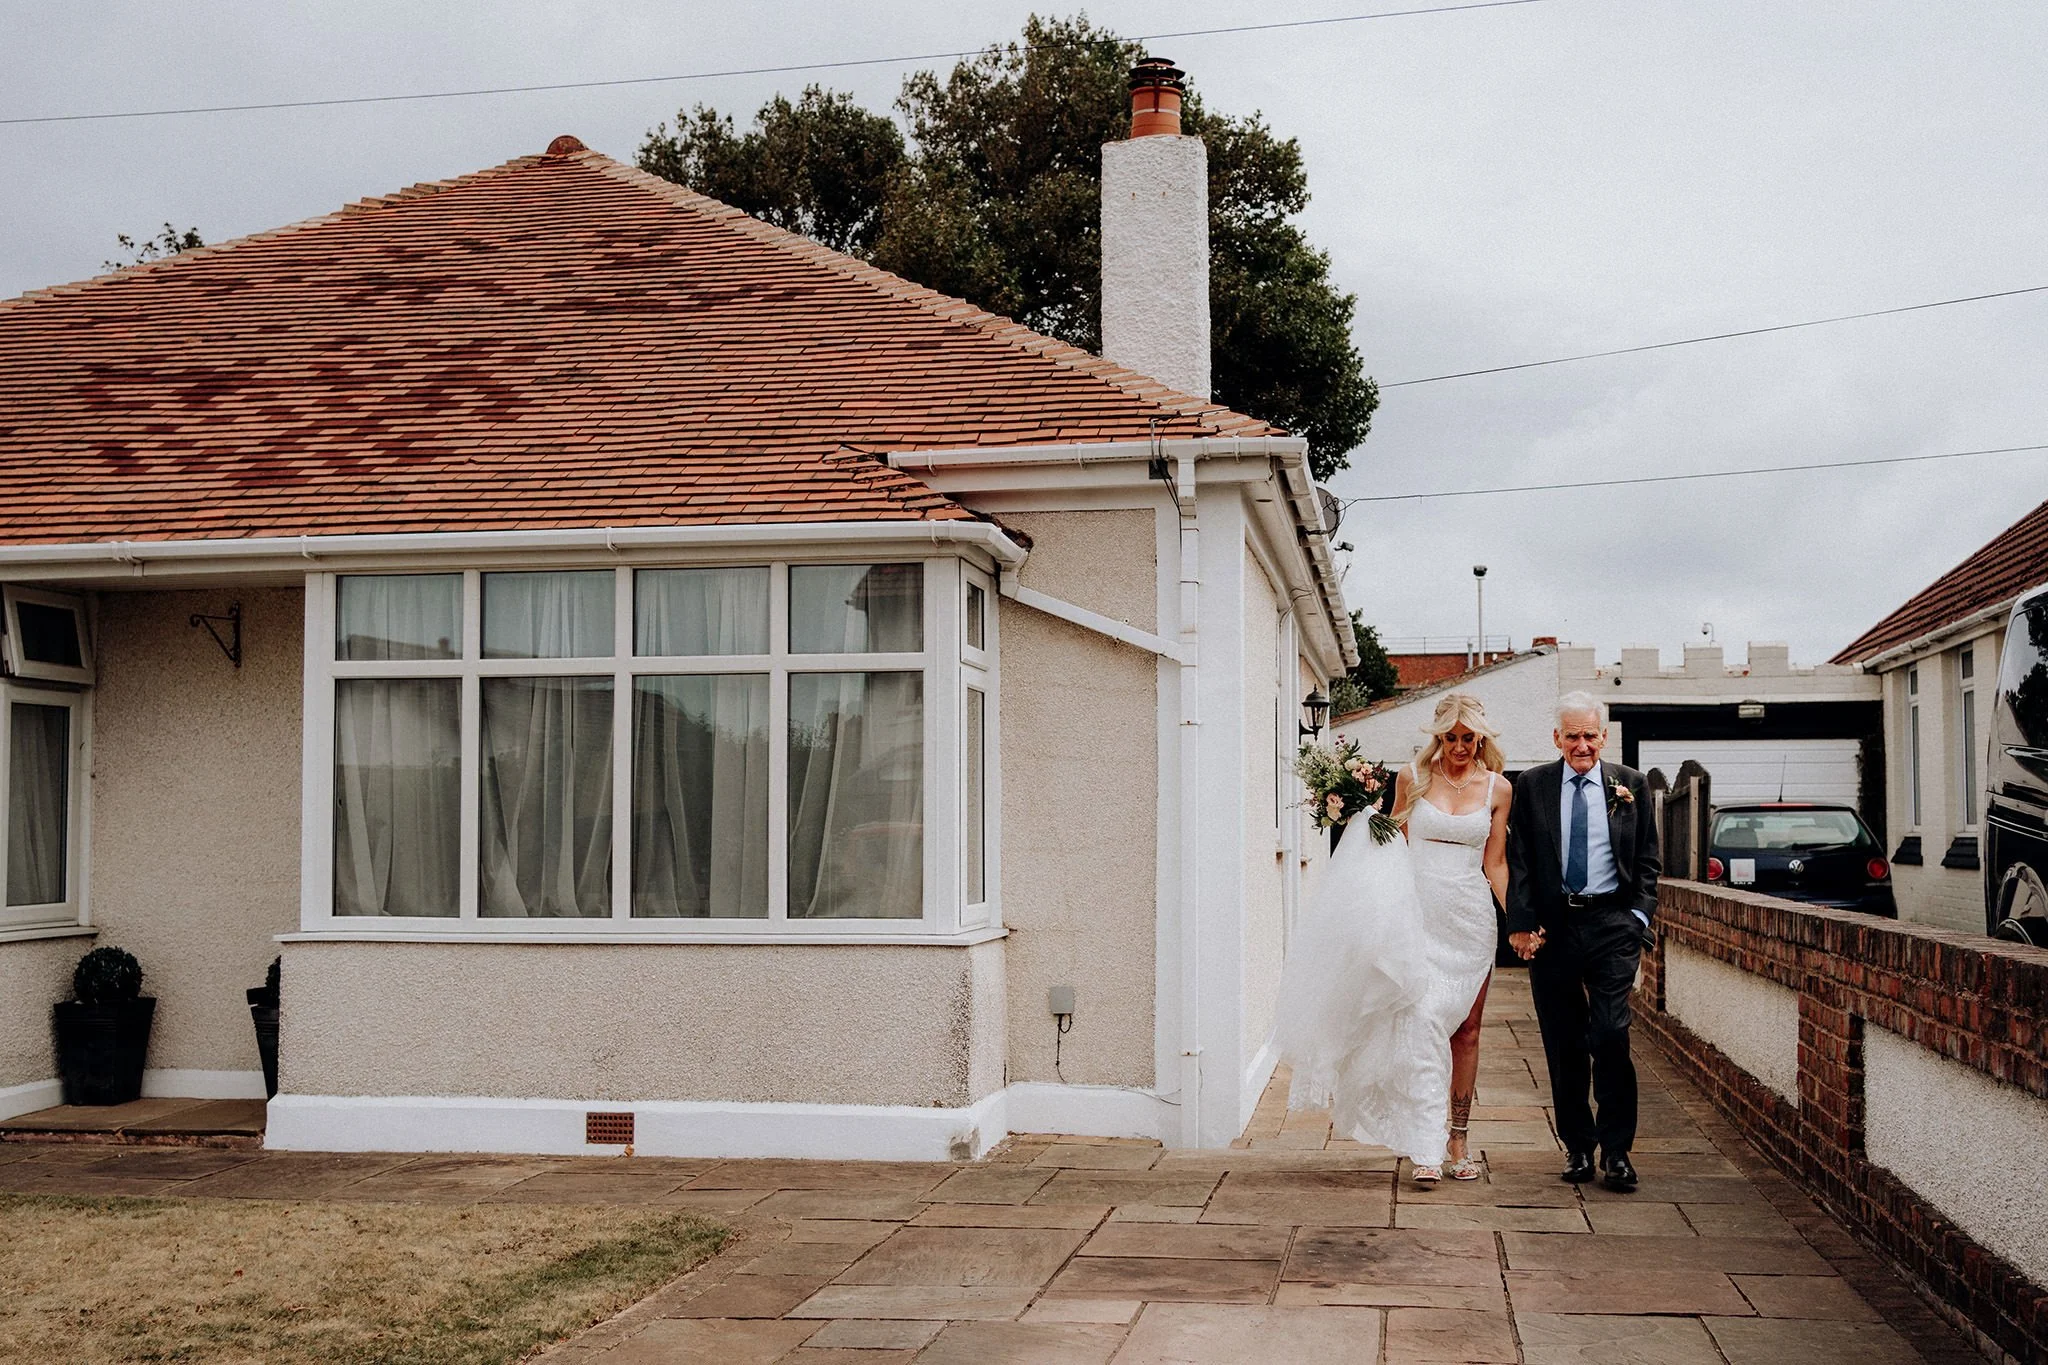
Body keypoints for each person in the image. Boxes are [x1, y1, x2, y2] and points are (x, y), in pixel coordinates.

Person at [1271, 693, 1511, 1186]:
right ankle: (1425, 1145)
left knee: (1466, 1032)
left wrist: (1523, 921)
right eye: (1451, 737)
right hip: (1416, 914)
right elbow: (1391, 843)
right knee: (1420, 1021)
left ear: (1481, 738)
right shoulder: (1412, 779)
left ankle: (1458, 1138)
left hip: (1470, 921)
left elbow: (1496, 863)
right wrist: (1357, 822)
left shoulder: (1499, 790)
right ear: (1437, 736)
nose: (1460, 747)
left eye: (1469, 738)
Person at [1504, 692, 1660, 1194]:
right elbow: (1521, 858)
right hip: (1554, 930)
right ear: (1557, 738)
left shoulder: (1631, 785)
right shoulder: (1533, 785)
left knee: (1611, 1033)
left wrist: (1637, 916)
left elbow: (1649, 860)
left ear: (1603, 736)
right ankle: (1577, 1147)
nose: (1582, 744)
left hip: (1613, 923)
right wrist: (1521, 924)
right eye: (1572, 735)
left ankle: (1617, 1152)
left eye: (1590, 735)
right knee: (1563, 1041)